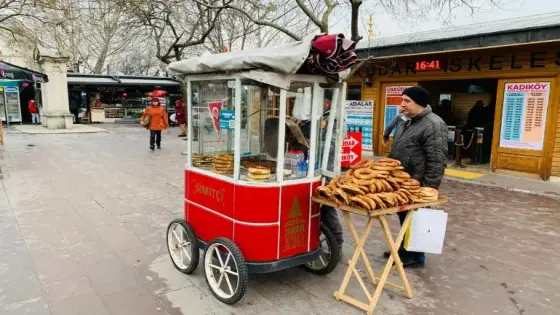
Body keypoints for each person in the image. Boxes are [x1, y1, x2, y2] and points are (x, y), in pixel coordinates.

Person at [386, 86, 448, 268]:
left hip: (417, 182)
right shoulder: (407, 120)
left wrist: (429, 187)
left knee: (416, 218)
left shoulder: (434, 124)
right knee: (404, 217)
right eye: (402, 100)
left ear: (419, 103)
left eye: (407, 101)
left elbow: (437, 160)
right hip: (402, 181)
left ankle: (415, 256)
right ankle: (405, 249)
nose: (402, 104)